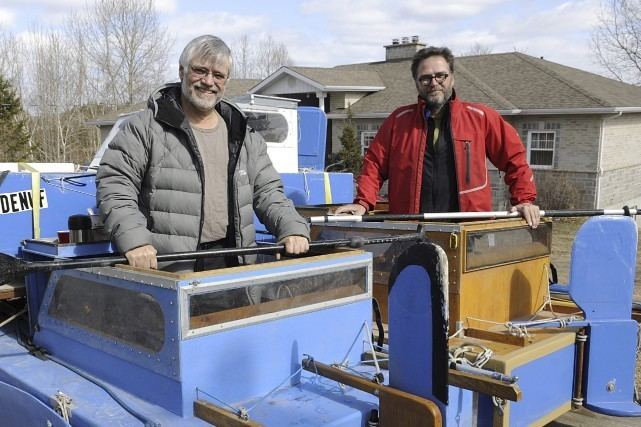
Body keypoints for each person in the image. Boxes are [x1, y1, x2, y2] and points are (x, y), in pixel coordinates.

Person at [97, 35, 309, 271]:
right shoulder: (144, 128)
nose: (209, 81)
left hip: (233, 260)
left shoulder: (242, 134)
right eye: (200, 71)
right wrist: (135, 242)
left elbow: (268, 192)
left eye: (218, 75)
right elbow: (115, 185)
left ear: (226, 81)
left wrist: (292, 228)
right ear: (182, 72)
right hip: (171, 268)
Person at [335, 46, 540, 228]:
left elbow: (515, 160)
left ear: (452, 77)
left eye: (440, 75)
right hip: (410, 228)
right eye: (425, 78)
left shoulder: (481, 117)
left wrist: (524, 200)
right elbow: (374, 166)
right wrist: (362, 203)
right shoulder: (398, 121)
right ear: (417, 83)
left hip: (468, 231)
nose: (434, 83)